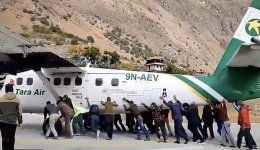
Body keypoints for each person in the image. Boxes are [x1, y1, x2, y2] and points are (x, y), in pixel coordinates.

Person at [0, 83, 23, 150]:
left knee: (4, 138)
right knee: (11, 137)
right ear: (12, 90)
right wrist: (20, 119)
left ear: (6, 90)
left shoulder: (1, 99)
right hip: (12, 122)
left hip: (3, 122)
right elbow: (19, 111)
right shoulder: (17, 100)